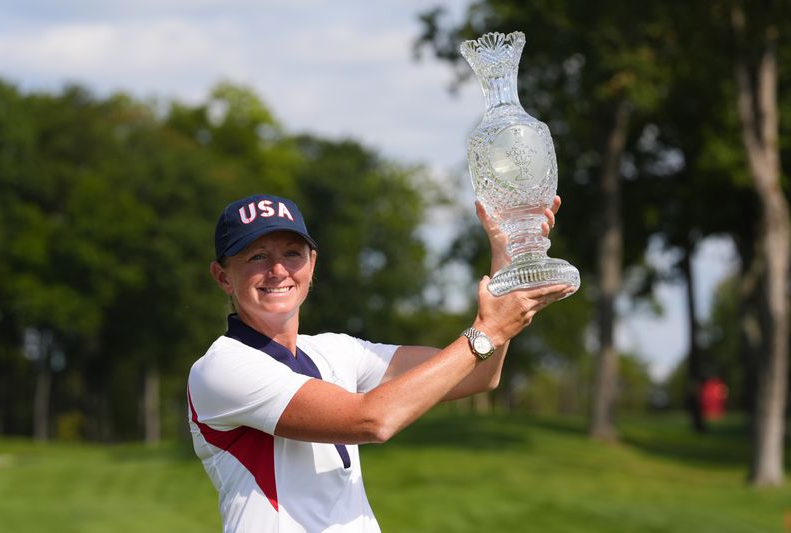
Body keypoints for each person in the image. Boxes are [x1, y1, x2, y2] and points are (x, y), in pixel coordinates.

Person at [187, 193, 572, 532]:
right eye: (257, 256)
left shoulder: (335, 350)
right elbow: (371, 420)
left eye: (292, 253)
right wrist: (486, 331)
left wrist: (506, 266)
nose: (278, 270)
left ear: (312, 263)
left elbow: (477, 375)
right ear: (223, 276)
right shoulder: (221, 369)